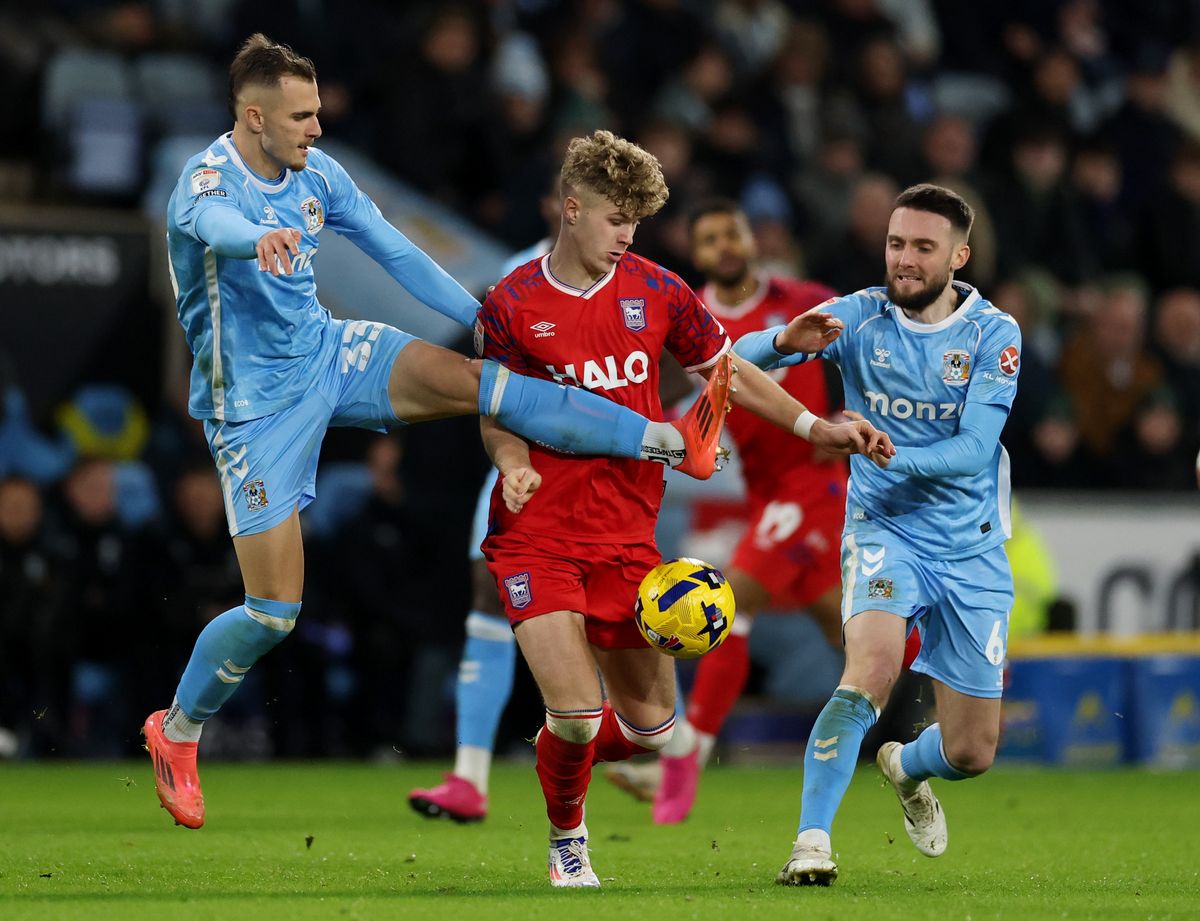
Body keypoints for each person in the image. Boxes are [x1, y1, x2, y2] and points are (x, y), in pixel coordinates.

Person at [142, 35, 731, 830]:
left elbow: (390, 248)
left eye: (317, 111)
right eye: (302, 115)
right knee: (273, 611)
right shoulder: (206, 181)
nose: (318, 127)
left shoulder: (320, 171)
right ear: (254, 116)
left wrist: (483, 322)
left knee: (489, 382)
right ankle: (177, 728)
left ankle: (659, 439)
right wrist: (261, 239)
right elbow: (212, 223)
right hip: (253, 407)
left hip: (330, 351)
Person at [475, 129, 893, 888]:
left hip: (629, 537)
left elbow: (727, 369)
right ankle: (568, 836)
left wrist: (813, 424)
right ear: (571, 209)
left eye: (636, 220)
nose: (626, 235)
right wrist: (510, 464)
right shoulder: (512, 304)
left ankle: (557, 752)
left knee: (651, 732)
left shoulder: (657, 289)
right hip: (538, 536)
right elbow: (495, 410)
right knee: (574, 712)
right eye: (614, 219)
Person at [735, 184, 1021, 886]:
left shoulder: (994, 335)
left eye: (923, 247)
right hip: (884, 528)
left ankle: (903, 762)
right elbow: (728, 361)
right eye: (897, 243)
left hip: (972, 542)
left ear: (959, 255)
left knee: (972, 752)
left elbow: (974, 449)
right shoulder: (857, 317)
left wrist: (881, 450)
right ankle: (811, 841)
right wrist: (780, 341)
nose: (905, 259)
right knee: (868, 670)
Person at [606, 199, 849, 824]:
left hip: (817, 482)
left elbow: (867, 354)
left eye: (733, 232)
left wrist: (854, 411)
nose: (725, 245)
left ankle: (683, 761)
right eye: (710, 238)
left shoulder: (805, 298)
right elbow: (671, 396)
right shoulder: (691, 317)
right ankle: (936, 689)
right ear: (696, 251)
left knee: (728, 598)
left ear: (752, 236)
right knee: (850, 627)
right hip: (768, 493)